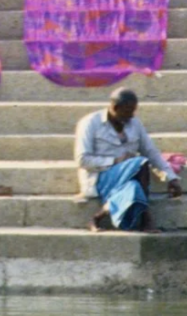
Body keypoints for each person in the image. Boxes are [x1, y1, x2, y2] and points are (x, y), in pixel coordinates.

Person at [75, 87, 179, 232]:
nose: (131, 116)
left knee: (134, 186)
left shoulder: (134, 122)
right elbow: (82, 160)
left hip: (129, 174)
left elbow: (151, 151)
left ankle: (97, 217)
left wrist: (171, 177)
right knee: (141, 163)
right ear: (114, 107)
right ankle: (146, 220)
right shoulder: (90, 123)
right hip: (100, 178)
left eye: (133, 111)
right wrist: (115, 161)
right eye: (127, 111)